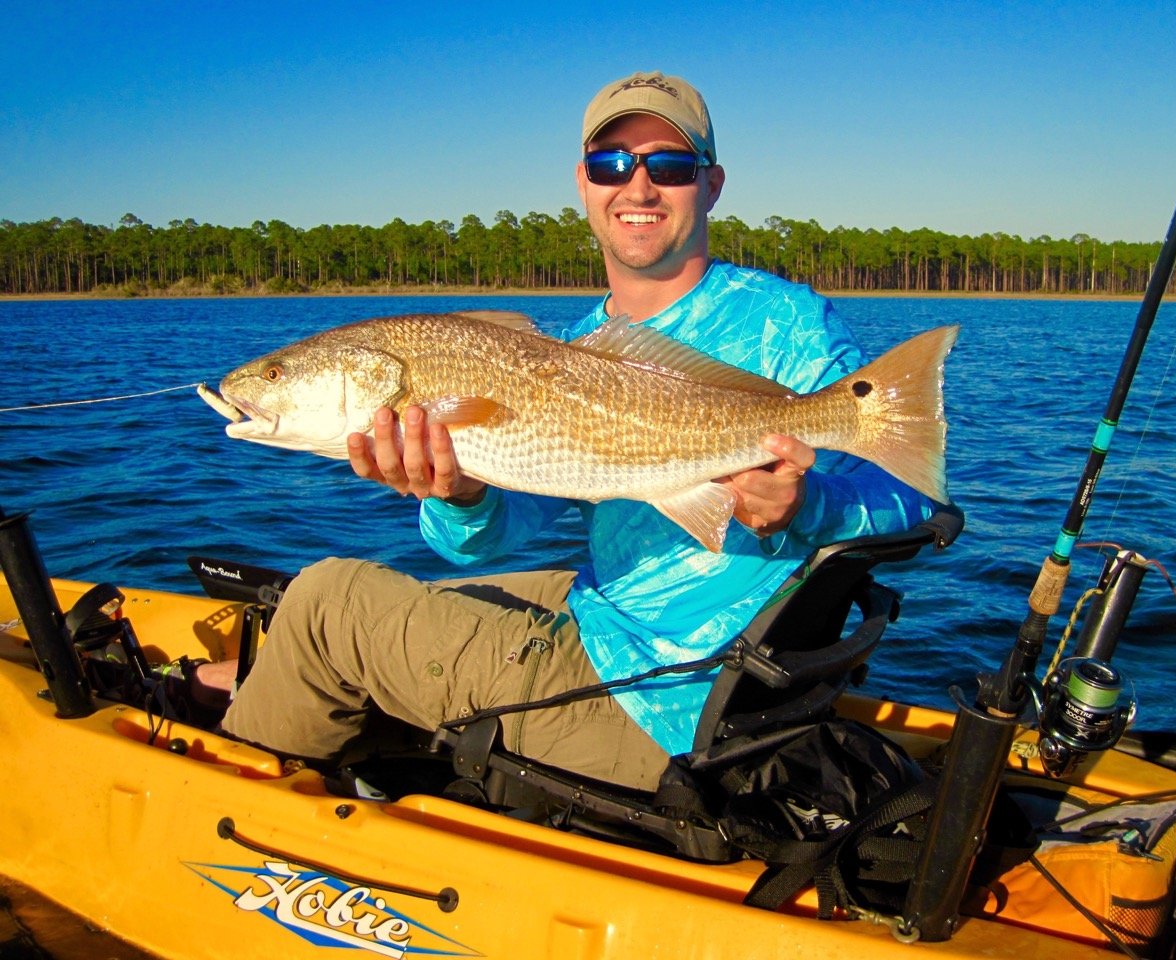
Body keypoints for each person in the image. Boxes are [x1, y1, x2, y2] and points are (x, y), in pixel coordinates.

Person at [203, 71, 937, 791]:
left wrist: (808, 508)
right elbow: (496, 532)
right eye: (611, 163)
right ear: (584, 184)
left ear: (711, 185)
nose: (638, 186)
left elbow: (916, 501)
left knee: (322, 602)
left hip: (672, 696)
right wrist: (458, 493)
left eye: (671, 165)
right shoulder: (583, 344)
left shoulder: (786, 323)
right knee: (465, 585)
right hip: (619, 619)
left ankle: (236, 822)